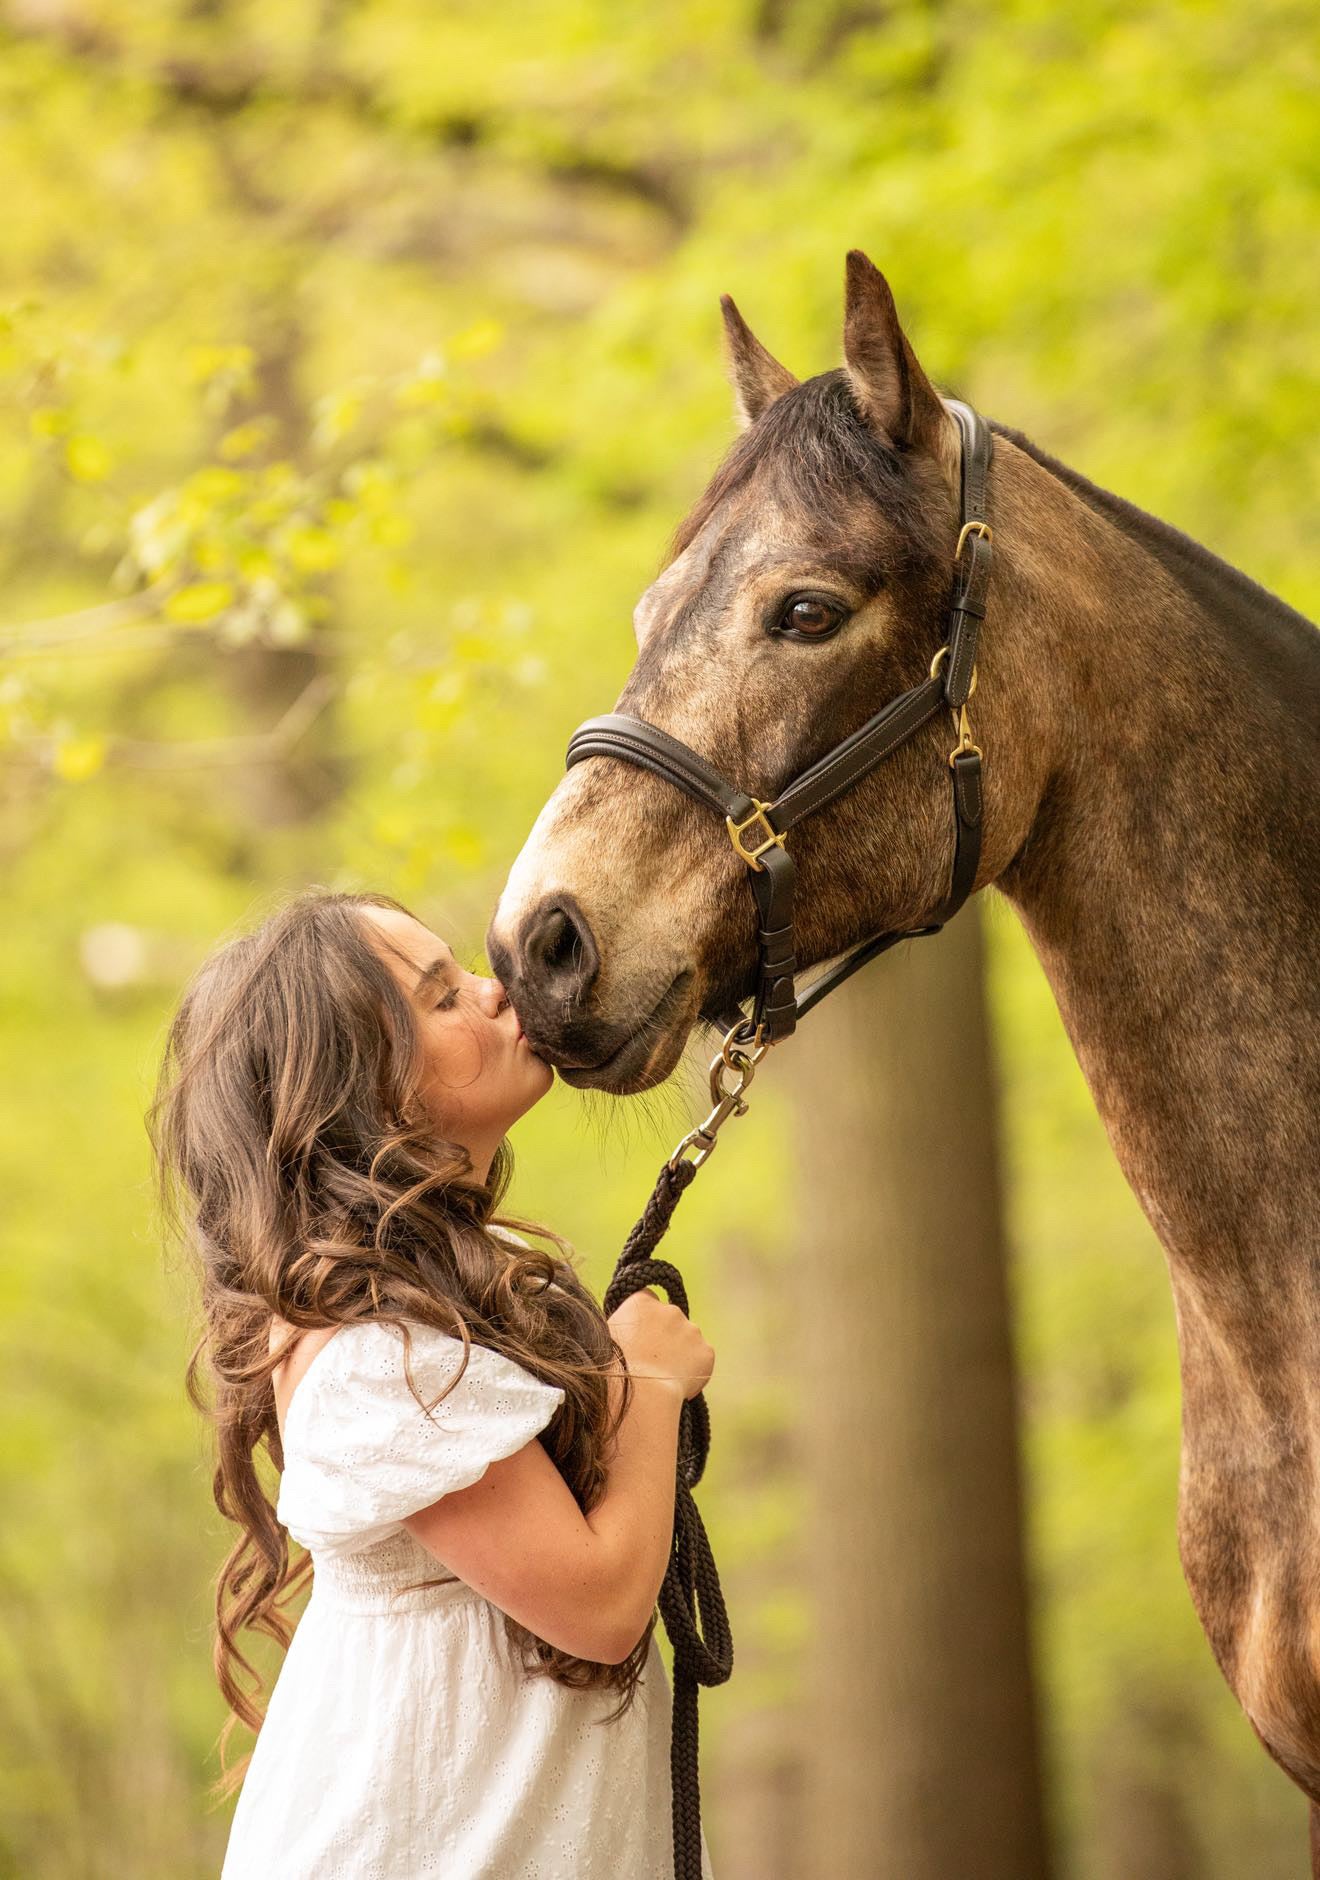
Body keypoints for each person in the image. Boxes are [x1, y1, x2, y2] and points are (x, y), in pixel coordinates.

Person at [148, 887, 717, 1879]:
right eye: (443, 995)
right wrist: (649, 1379)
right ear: (362, 1087)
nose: (500, 993)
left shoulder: (445, 1295)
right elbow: (597, 1603)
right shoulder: (378, 1353)